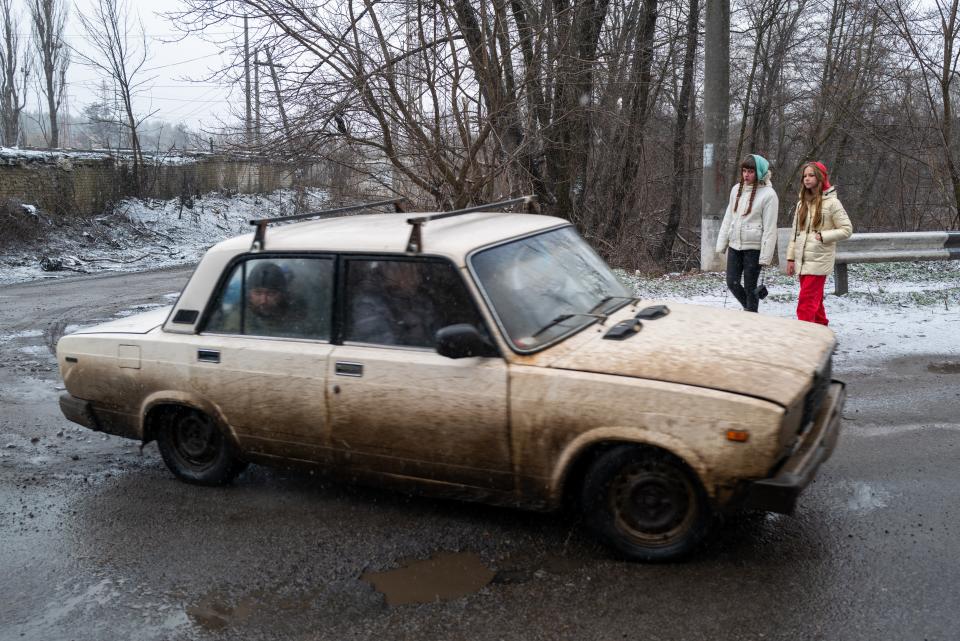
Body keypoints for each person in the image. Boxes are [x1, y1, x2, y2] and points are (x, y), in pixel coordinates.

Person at [785, 161, 853, 325]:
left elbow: (847, 229)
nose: (807, 179)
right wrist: (791, 258)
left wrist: (823, 236)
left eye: (811, 175)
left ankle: (805, 336)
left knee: (806, 302)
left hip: (819, 260)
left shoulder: (832, 203)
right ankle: (821, 327)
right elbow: (795, 233)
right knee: (815, 300)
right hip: (803, 260)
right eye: (805, 176)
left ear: (820, 177)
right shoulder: (802, 203)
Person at [716, 154, 779, 312]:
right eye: (744, 171)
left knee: (751, 286)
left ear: (759, 172)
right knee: (732, 282)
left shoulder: (769, 195)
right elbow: (728, 217)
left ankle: (751, 315)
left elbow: (770, 228)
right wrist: (722, 243)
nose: (746, 175)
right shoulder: (736, 190)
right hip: (735, 245)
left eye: (751, 171)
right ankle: (750, 311)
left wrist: (765, 256)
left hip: (754, 248)